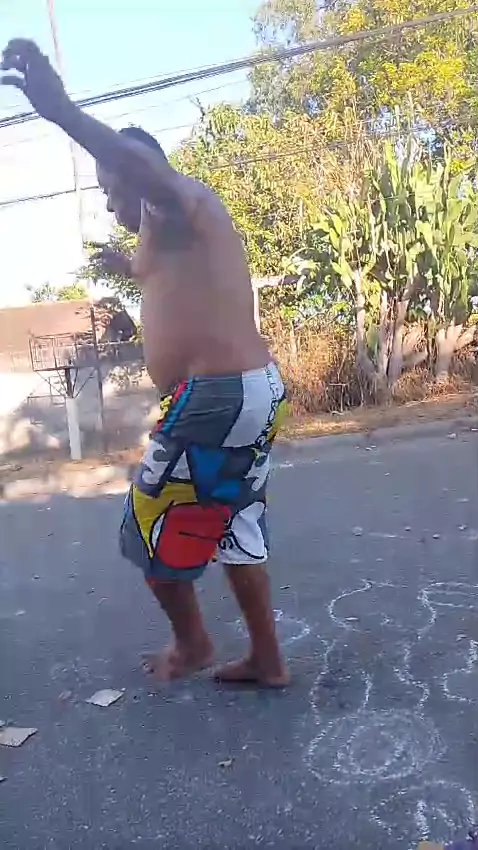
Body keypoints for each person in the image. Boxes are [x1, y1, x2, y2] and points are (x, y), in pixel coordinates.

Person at [1, 38, 290, 686]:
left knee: (149, 524)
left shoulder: (177, 200)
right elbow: (153, 272)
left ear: (140, 176)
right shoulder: (164, 235)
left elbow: (142, 171)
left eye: (112, 189)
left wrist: (63, 113)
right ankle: (268, 660)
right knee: (234, 522)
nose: (110, 205)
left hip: (216, 398)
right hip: (247, 393)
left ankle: (194, 645)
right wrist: (122, 266)